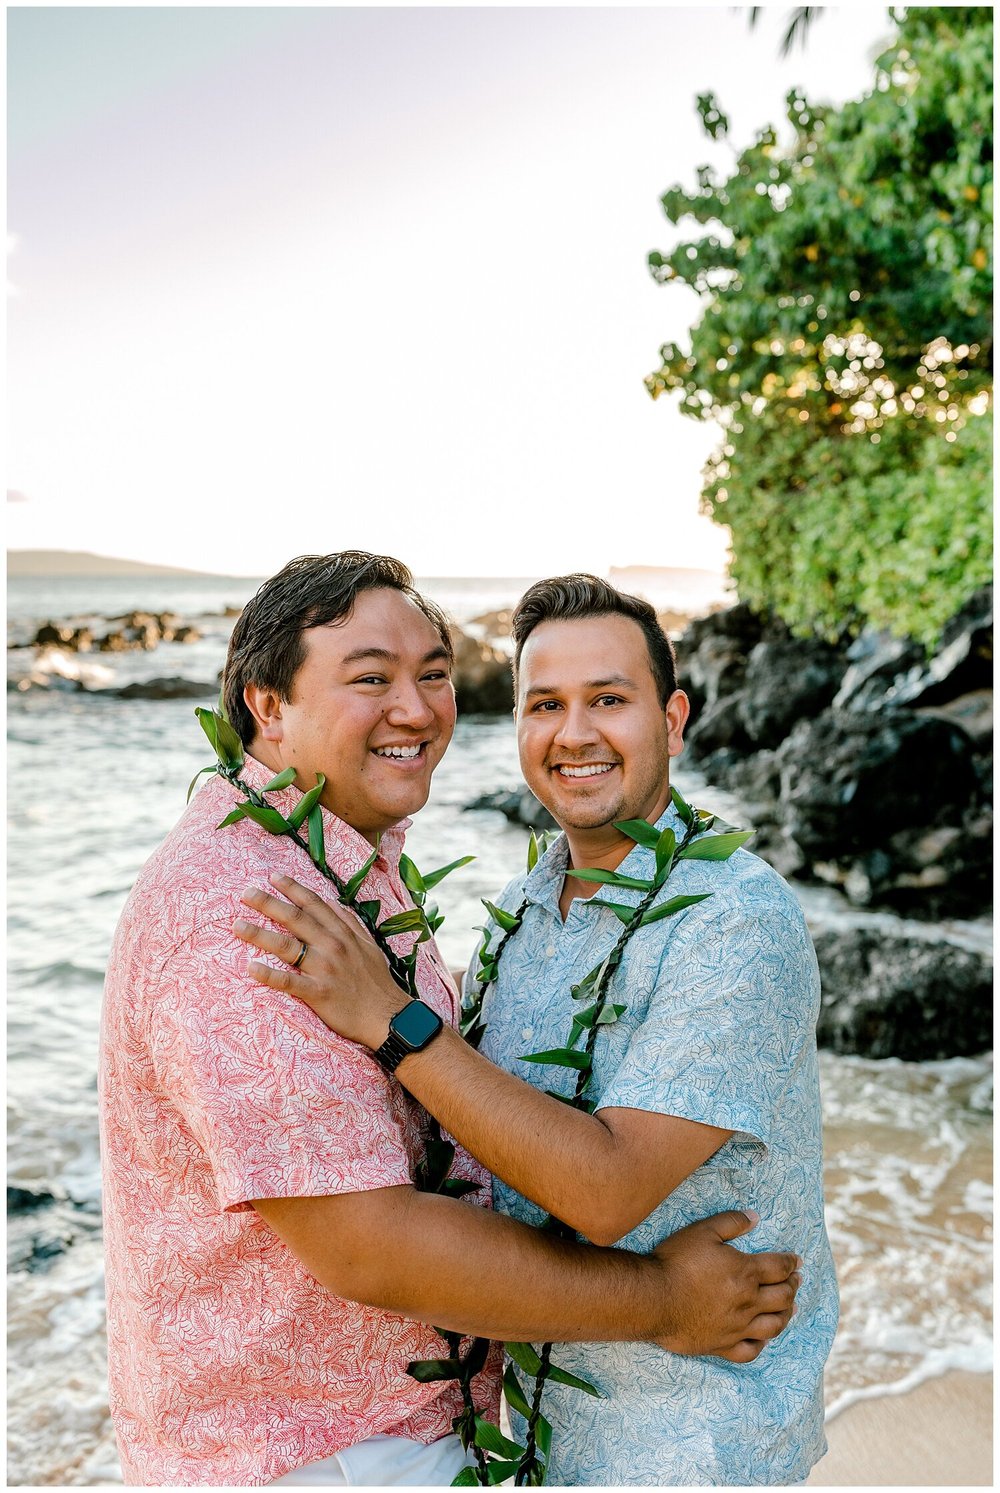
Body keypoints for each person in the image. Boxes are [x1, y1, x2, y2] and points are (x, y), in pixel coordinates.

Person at [99, 554, 801, 1489]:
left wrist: (397, 1021)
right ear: (267, 706)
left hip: (686, 1435)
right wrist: (661, 1298)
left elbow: (563, 1165)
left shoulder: (720, 917)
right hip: (322, 1455)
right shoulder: (253, 918)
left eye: (434, 673)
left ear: (673, 718)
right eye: (371, 677)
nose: (418, 707)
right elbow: (368, 1243)